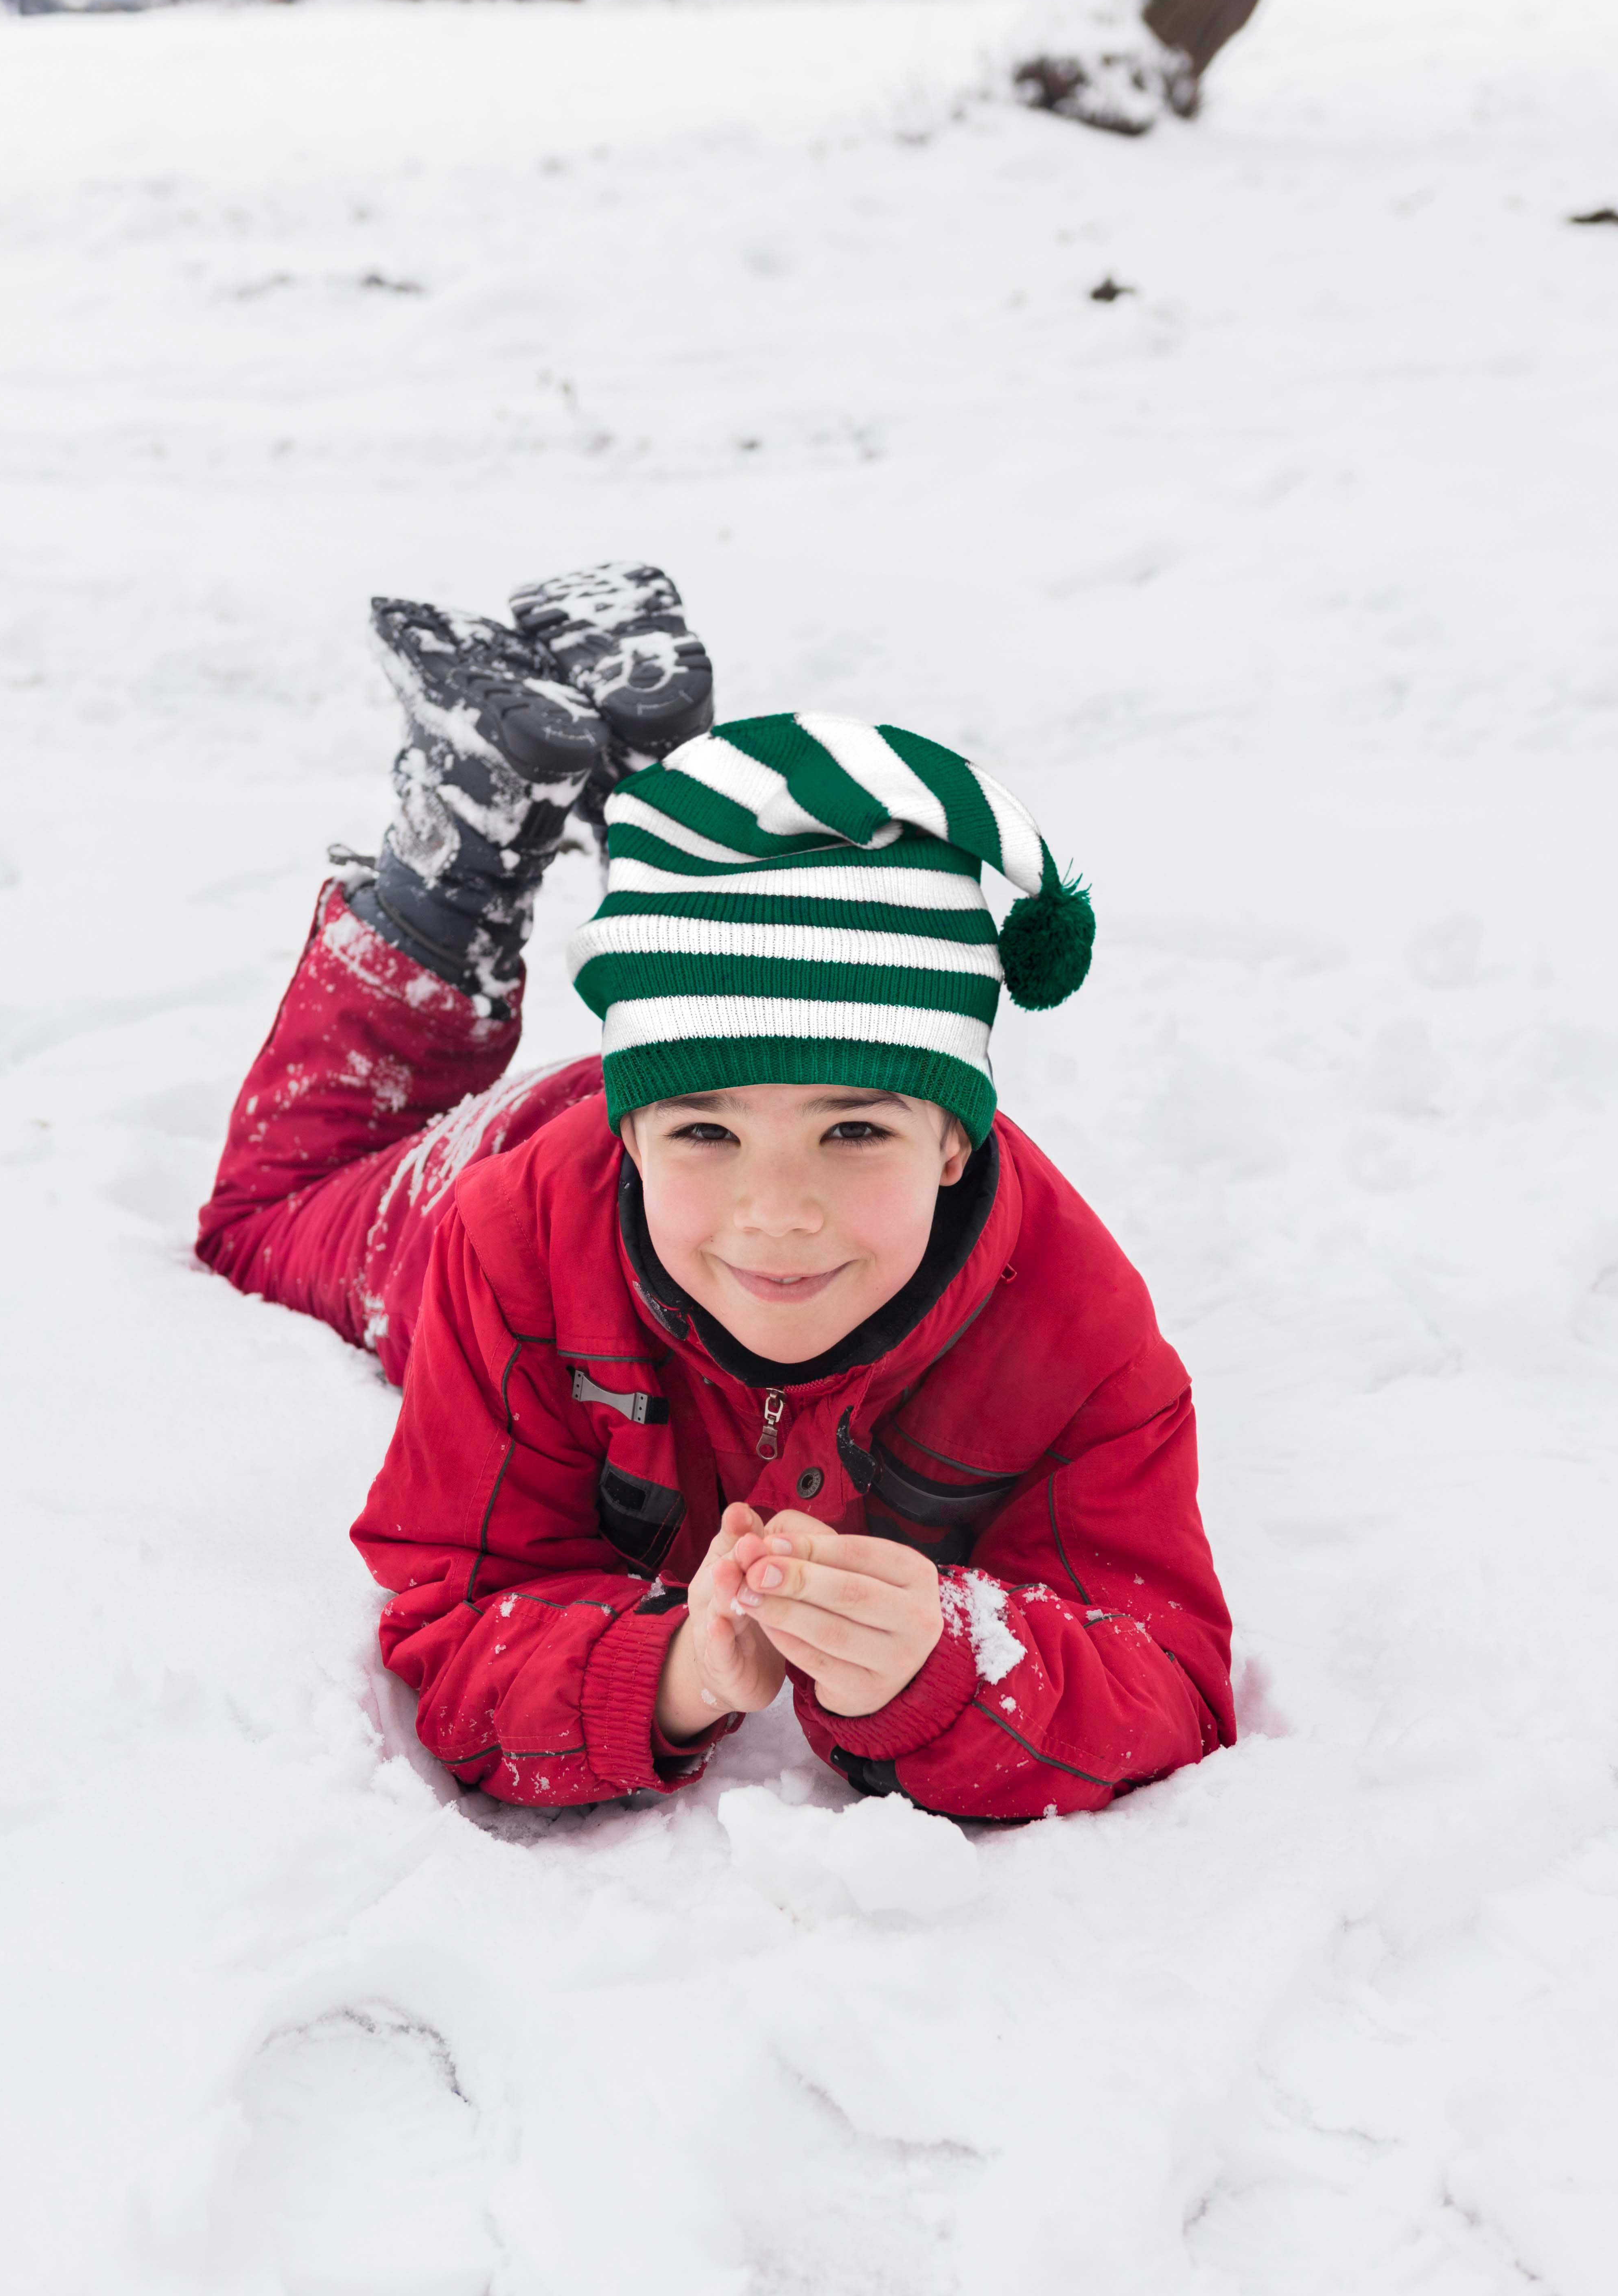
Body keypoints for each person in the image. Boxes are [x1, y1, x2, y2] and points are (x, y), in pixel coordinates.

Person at [197, 564, 1234, 1819]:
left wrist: (946, 1661)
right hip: (534, 1142)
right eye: (711, 1139)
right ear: (637, 1136)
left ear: (956, 1140)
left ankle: (663, 806)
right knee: (264, 1222)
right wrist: (669, 1672)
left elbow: (1166, 1666)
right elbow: (456, 1610)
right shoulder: (507, 1237)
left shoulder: (1076, 1333)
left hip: (674, 1045)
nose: (777, 1212)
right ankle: (459, 849)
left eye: (854, 1129)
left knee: (723, 1106)